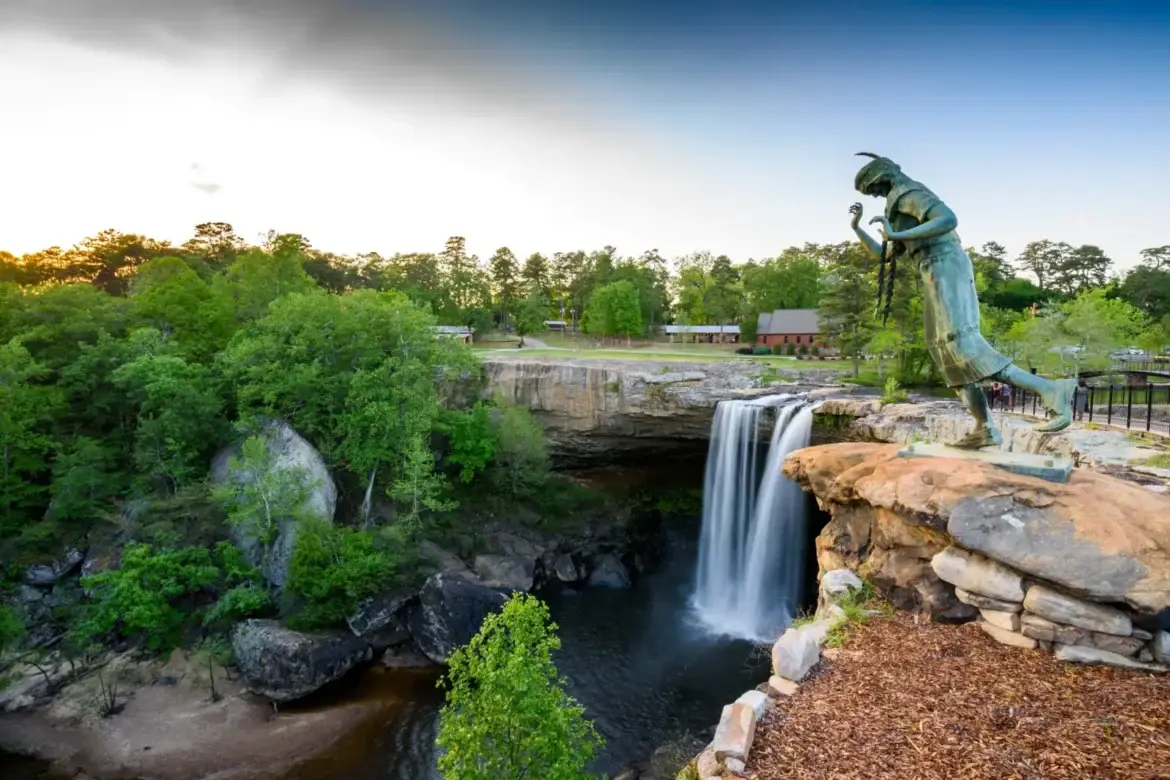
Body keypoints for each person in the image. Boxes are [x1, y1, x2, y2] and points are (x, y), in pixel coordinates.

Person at [849, 153, 1075, 448]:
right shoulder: (897, 203)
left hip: (945, 265)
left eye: (874, 189)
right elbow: (887, 255)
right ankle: (985, 428)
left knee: (963, 344)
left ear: (881, 177)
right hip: (930, 271)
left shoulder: (909, 192)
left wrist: (897, 233)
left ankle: (1050, 390)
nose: (876, 195)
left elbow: (947, 219)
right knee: (945, 353)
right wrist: (857, 228)